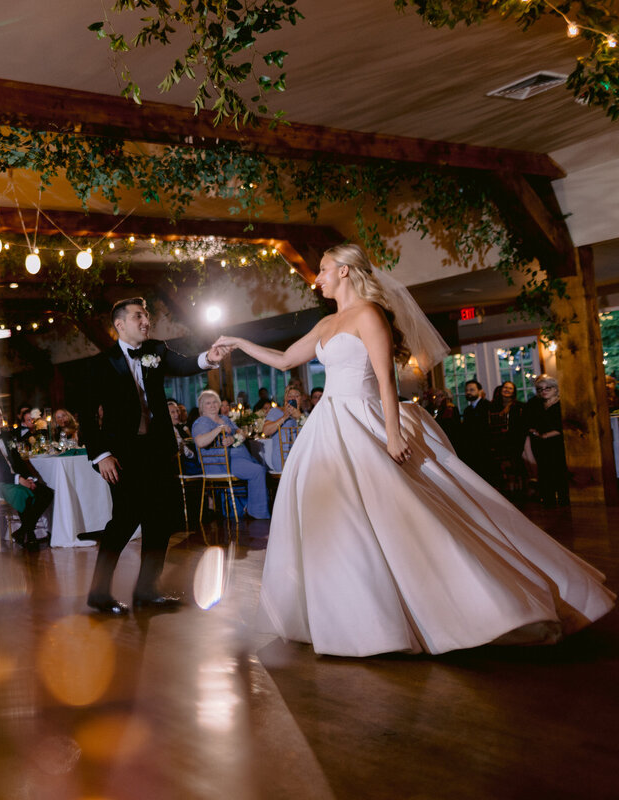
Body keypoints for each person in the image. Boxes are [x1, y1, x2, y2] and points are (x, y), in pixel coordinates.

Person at [216, 243, 613, 657]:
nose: (318, 278)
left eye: (324, 269)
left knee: (401, 512)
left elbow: (386, 379)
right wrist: (239, 342)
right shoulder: (327, 323)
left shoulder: (368, 314)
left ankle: (472, 603)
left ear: (346, 271)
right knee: (339, 517)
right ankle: (351, 616)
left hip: (362, 419)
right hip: (326, 426)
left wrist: (392, 434)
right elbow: (283, 360)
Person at [77, 297, 228, 615]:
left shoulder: (156, 350)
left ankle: (147, 590)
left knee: (160, 520)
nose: (146, 321)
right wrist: (101, 455)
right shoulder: (100, 364)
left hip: (157, 450)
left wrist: (208, 358)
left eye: (147, 316)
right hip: (122, 455)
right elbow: (87, 417)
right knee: (124, 522)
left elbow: (184, 365)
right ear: (120, 325)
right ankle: (99, 593)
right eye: (138, 316)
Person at [0, 405, 53, 550]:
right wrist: (18, 479)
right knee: (23, 494)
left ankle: (22, 531)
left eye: (0, 415)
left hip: (17, 478)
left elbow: (18, 461)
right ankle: (30, 534)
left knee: (47, 493)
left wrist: (29, 478)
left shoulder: (7, 436)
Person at [191, 390, 270, 519]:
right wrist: (218, 429)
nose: (212, 405)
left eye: (215, 402)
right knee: (257, 471)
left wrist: (234, 438)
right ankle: (258, 512)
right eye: (208, 403)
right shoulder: (201, 422)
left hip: (238, 457)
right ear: (202, 407)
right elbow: (200, 442)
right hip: (221, 461)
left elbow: (241, 432)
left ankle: (248, 507)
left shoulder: (224, 418)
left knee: (260, 467)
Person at [527, 374, 569, 507]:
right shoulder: (536, 405)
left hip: (558, 443)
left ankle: (563, 500)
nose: (543, 391)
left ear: (555, 389)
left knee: (559, 471)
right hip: (541, 444)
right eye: (540, 389)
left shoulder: (562, 404)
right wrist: (535, 432)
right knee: (544, 471)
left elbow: (565, 426)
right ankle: (548, 500)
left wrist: (546, 435)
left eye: (547, 388)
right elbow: (530, 422)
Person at [260, 385, 305, 472]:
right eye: (290, 396)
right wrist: (285, 417)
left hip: (301, 458)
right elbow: (266, 431)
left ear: (301, 399)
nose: (293, 398)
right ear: (285, 398)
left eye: (296, 396)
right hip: (282, 458)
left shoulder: (305, 416)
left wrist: (299, 417)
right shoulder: (276, 411)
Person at [459, 379, 496, 482]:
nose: (468, 392)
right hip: (472, 446)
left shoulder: (488, 406)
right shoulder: (467, 410)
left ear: (480, 391)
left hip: (485, 446)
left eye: (472, 390)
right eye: (466, 390)